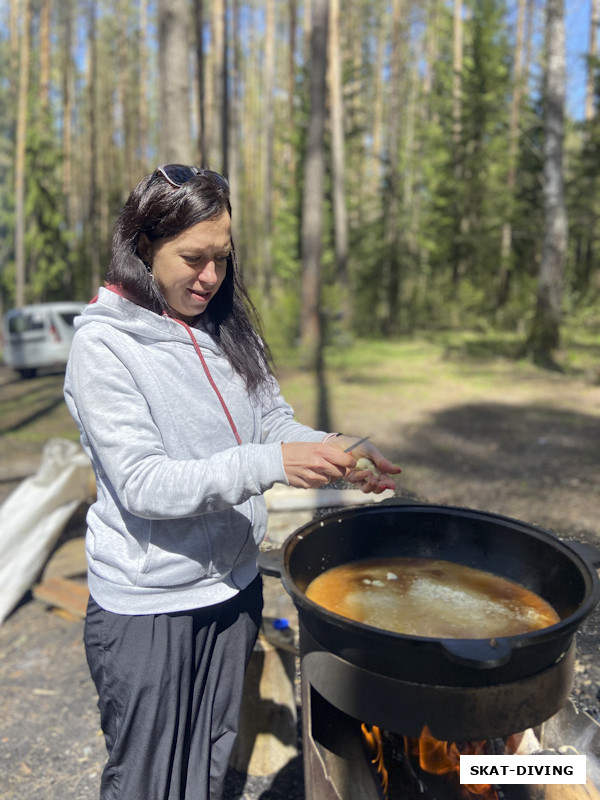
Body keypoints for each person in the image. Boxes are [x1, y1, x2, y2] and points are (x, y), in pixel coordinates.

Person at [63, 164, 401, 800]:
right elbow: (143, 483)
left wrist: (338, 451)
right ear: (142, 247)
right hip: (150, 603)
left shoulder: (225, 325)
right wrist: (270, 465)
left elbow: (271, 419)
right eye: (193, 258)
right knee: (146, 781)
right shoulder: (105, 346)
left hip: (233, 588)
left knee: (211, 766)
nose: (211, 277)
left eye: (222, 258)